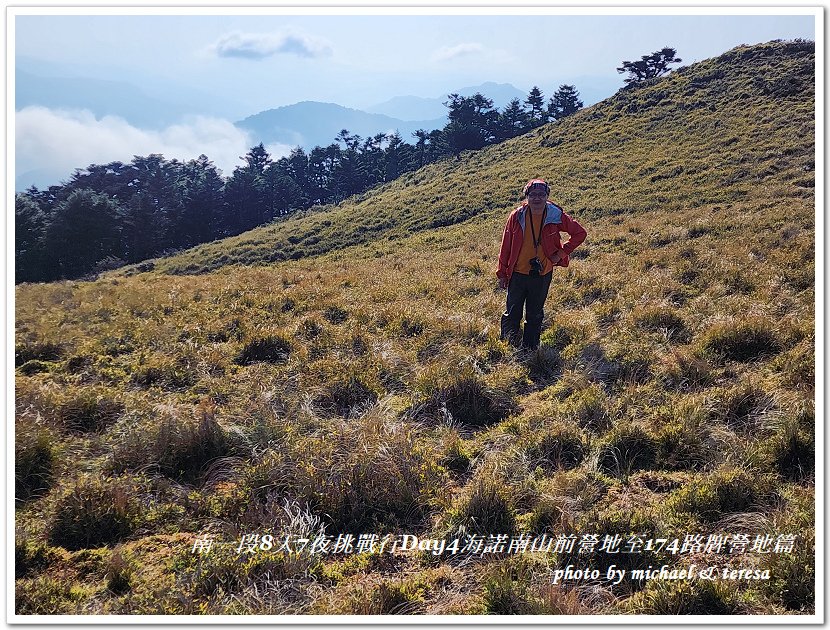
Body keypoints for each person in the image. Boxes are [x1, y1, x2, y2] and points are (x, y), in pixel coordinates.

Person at [497, 178, 587, 349]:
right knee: (512, 312)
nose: (537, 198)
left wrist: (560, 254)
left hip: (542, 273)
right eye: (533, 195)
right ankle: (508, 345)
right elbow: (506, 245)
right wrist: (502, 273)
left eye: (541, 195)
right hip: (517, 272)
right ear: (527, 197)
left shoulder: (555, 215)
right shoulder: (517, 216)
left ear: (547, 196)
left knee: (535, 313)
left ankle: (530, 348)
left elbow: (580, 234)